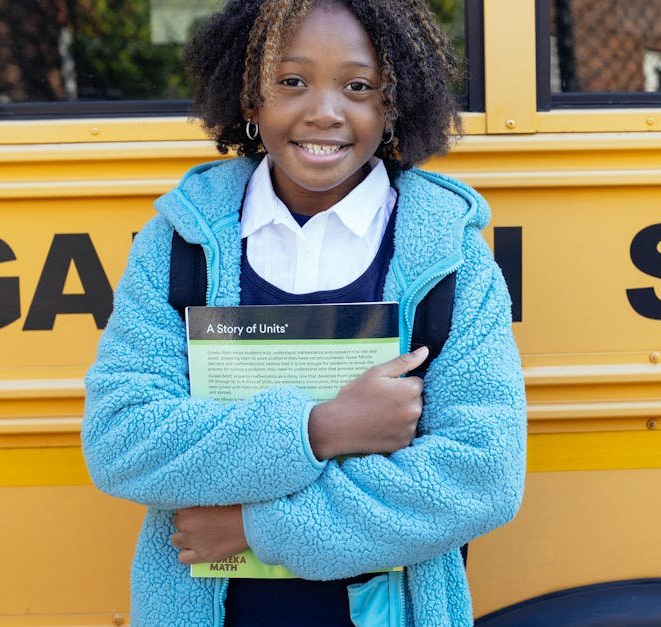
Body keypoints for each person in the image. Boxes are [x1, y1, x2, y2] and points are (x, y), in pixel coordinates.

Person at [80, 0, 527, 625]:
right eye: (291, 81)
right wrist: (323, 428)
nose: (324, 111)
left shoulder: (448, 257)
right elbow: (122, 440)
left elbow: (480, 476)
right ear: (248, 98)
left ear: (393, 103)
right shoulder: (182, 244)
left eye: (359, 86)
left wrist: (254, 526)